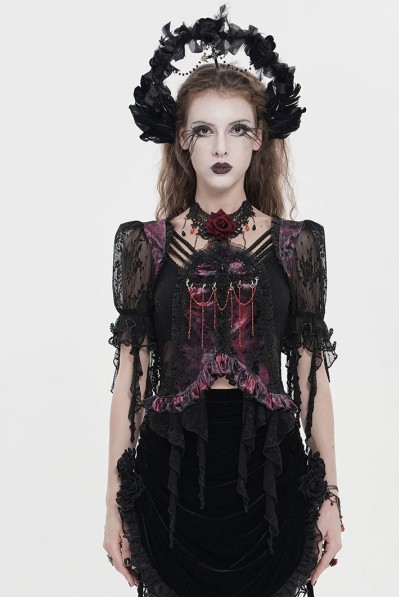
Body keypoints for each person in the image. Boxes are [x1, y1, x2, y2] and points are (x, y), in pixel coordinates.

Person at [103, 8, 343, 597]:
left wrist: (331, 497)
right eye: (204, 130)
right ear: (183, 140)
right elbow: (130, 377)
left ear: (259, 139)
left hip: (270, 475)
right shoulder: (144, 245)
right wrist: (113, 505)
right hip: (171, 476)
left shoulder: (296, 245)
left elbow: (311, 373)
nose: (220, 146)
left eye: (237, 129)